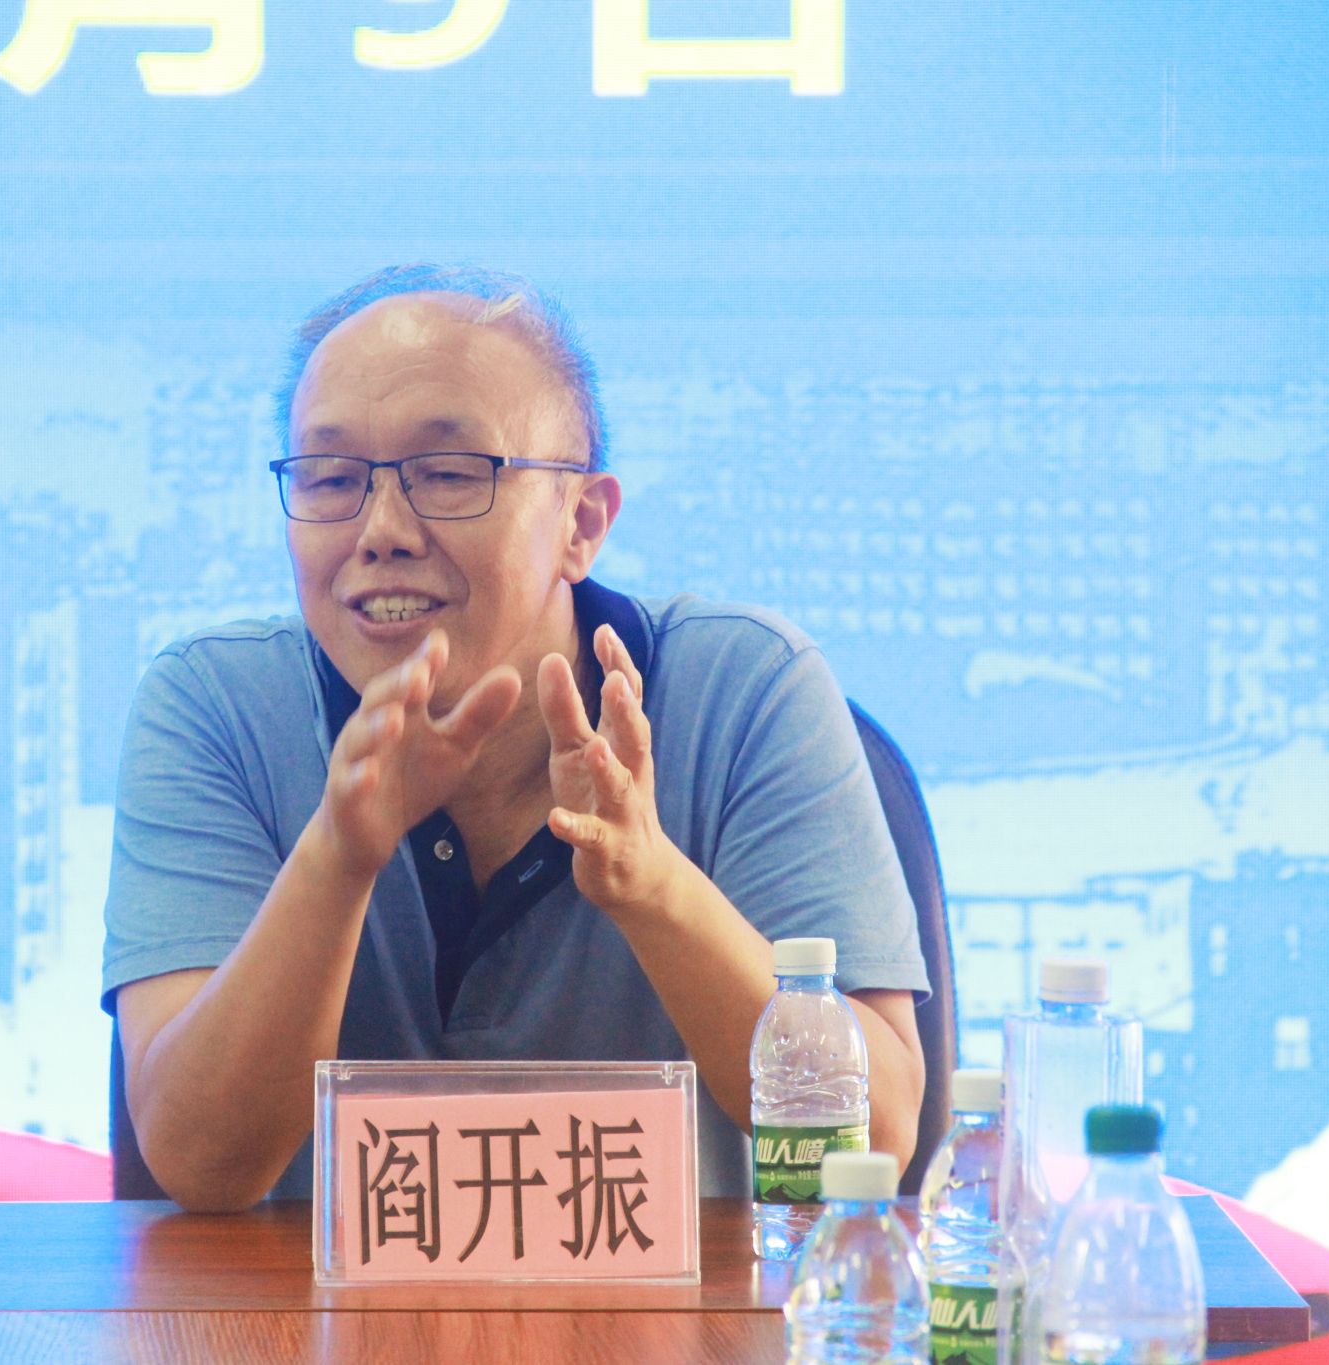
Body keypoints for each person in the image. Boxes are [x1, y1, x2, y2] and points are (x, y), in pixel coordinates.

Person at [103, 265, 929, 1212]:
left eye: (449, 474)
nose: (380, 531)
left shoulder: (749, 690)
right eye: (331, 480)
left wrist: (652, 885)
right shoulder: (213, 707)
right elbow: (199, 1164)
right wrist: (337, 854)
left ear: (583, 522)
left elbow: (877, 1138)